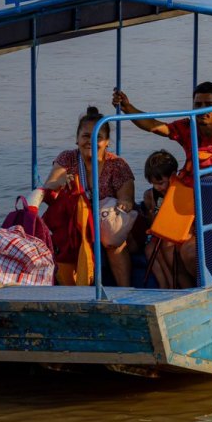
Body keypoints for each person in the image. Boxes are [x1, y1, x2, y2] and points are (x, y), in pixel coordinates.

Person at [40, 106, 136, 287]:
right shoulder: (67, 159)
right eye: (85, 136)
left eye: (98, 137)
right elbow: (50, 185)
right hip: (76, 225)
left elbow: (126, 198)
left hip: (105, 224)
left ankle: (126, 290)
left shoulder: (117, 165)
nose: (90, 141)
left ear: (107, 141)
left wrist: (122, 204)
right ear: (77, 139)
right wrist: (60, 183)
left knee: (113, 241)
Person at [112, 81, 212, 181]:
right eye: (198, 105)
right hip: (191, 181)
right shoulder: (188, 127)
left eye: (208, 105)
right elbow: (154, 126)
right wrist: (127, 108)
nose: (202, 109)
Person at [135, 150, 177, 289]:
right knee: (150, 250)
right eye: (154, 184)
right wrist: (152, 214)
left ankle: (173, 284)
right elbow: (152, 220)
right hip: (159, 233)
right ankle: (164, 285)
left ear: (173, 176)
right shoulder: (150, 195)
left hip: (175, 233)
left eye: (161, 182)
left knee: (166, 248)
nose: (158, 187)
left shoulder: (178, 192)